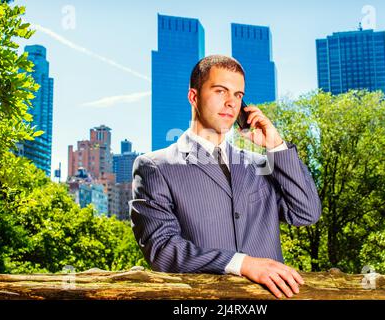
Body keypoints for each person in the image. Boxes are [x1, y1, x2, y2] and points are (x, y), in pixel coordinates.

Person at [130, 55, 321, 298]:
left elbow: (306, 212)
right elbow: (163, 250)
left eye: (238, 95)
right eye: (221, 91)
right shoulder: (155, 167)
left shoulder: (260, 164)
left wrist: (275, 145)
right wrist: (243, 263)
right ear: (194, 97)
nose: (231, 103)